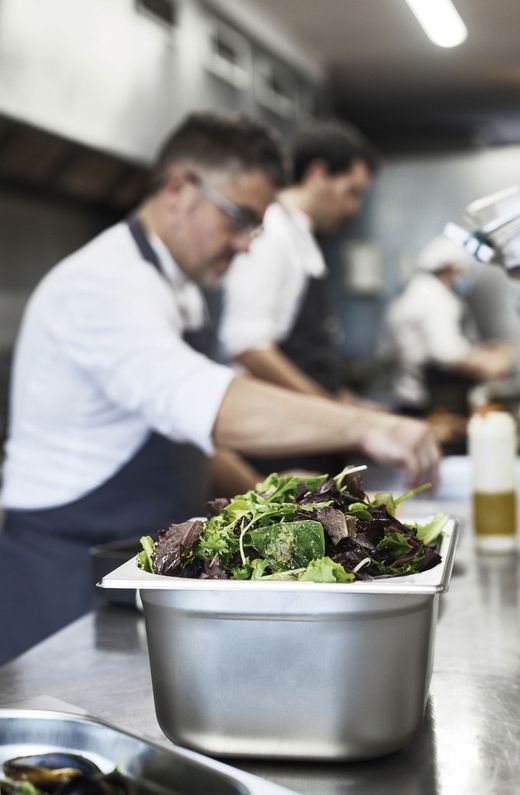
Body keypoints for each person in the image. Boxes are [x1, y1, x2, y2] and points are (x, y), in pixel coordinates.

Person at [0, 112, 439, 664]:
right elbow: (206, 404)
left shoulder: (178, 288)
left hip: (137, 565)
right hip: (68, 574)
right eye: (239, 218)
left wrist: (269, 495)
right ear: (179, 188)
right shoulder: (102, 285)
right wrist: (367, 425)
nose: (246, 244)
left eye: (255, 226)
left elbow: (186, 442)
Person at [218, 119, 382, 473]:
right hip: (279, 446)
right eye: (351, 191)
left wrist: (350, 405)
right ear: (318, 174)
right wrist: (334, 413)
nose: (353, 208)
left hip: (306, 435)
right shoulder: (270, 233)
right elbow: (248, 345)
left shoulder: (301, 237)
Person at [383, 236, 515, 415]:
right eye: (460, 271)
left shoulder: (416, 289)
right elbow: (448, 353)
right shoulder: (435, 296)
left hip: (407, 392)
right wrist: (489, 362)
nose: (462, 277)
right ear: (448, 268)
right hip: (428, 399)